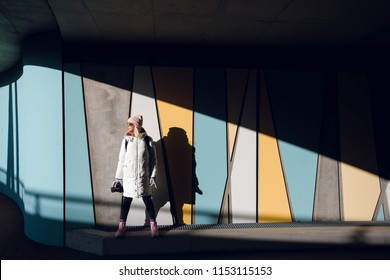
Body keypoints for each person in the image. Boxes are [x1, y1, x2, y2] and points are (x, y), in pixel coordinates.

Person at [112, 114, 159, 238]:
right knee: (126, 203)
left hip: (143, 178)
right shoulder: (126, 140)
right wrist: (118, 178)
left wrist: (153, 176)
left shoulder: (148, 140)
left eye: (130, 124)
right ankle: (121, 228)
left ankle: (153, 226)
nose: (128, 126)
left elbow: (154, 160)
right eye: (128, 124)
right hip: (129, 178)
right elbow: (121, 160)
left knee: (148, 201)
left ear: (136, 125)